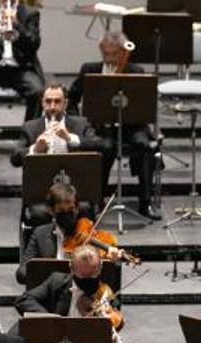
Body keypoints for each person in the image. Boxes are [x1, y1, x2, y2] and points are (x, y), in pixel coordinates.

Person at [67, 32, 159, 215]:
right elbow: (71, 99)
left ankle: (146, 201)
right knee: (103, 147)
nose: (109, 58)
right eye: (105, 53)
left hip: (131, 126)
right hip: (100, 127)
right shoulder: (89, 69)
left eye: (114, 54)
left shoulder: (136, 71)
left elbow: (144, 106)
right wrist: (80, 123)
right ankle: (96, 199)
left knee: (145, 146)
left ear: (122, 51)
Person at [10, 84, 97, 167]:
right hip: (41, 177)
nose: (52, 106)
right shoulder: (30, 127)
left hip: (73, 177)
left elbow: (99, 145)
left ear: (65, 103)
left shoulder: (81, 124)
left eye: (57, 101)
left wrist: (70, 138)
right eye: (48, 101)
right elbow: (15, 159)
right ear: (42, 103)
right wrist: (34, 149)